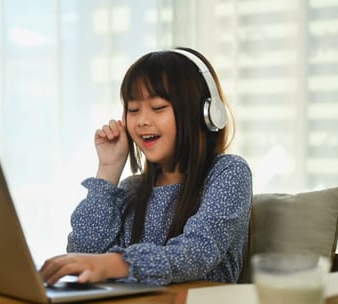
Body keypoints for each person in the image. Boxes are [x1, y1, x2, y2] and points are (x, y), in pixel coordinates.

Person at [41, 47, 253, 286]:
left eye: (158, 107)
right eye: (133, 109)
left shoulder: (228, 172)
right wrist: (108, 169)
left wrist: (115, 264)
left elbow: (197, 252)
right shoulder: (132, 188)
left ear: (205, 113)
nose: (142, 120)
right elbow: (83, 251)